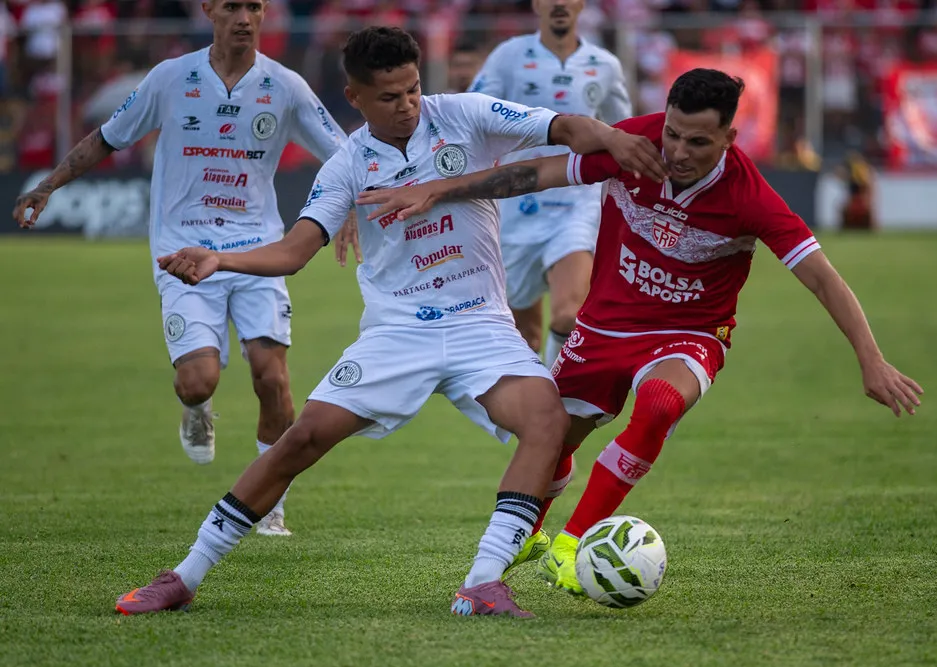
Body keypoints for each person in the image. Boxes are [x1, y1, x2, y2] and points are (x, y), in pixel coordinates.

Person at [113, 26, 668, 619]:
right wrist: (221, 258)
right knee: (301, 439)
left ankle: (482, 584)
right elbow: (295, 251)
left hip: (481, 324)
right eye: (389, 97)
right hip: (398, 332)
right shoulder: (348, 164)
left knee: (546, 421)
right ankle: (186, 573)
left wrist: (613, 138)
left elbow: (564, 129)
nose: (407, 105)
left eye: (412, 90)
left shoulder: (466, 115)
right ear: (354, 97)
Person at [355, 68, 925, 594]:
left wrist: (871, 360)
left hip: (690, 331)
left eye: (697, 142)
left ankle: (572, 543)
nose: (676, 151)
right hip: (604, 326)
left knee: (656, 404)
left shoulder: (749, 196)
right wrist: (437, 189)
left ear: (729, 138)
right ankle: (531, 531)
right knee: (552, 438)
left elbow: (823, 279)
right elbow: (536, 174)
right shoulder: (636, 145)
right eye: (673, 133)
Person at [12, 0, 345, 537]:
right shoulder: (170, 79)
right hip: (183, 252)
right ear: (208, 9)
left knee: (273, 378)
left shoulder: (285, 85)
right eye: (232, 6)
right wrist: (48, 185)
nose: (244, 17)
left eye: (255, 7)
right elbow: (108, 137)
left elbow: (344, 153)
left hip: (256, 250)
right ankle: (198, 408)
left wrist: (346, 207)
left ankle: (271, 503)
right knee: (196, 381)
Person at [469, 0, 632, 365]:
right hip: (514, 209)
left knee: (568, 315)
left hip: (576, 207)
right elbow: (473, 113)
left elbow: (625, 133)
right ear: (537, 5)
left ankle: (556, 401)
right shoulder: (508, 56)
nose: (559, 3)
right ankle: (529, 413)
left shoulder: (604, 66)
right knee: (523, 337)